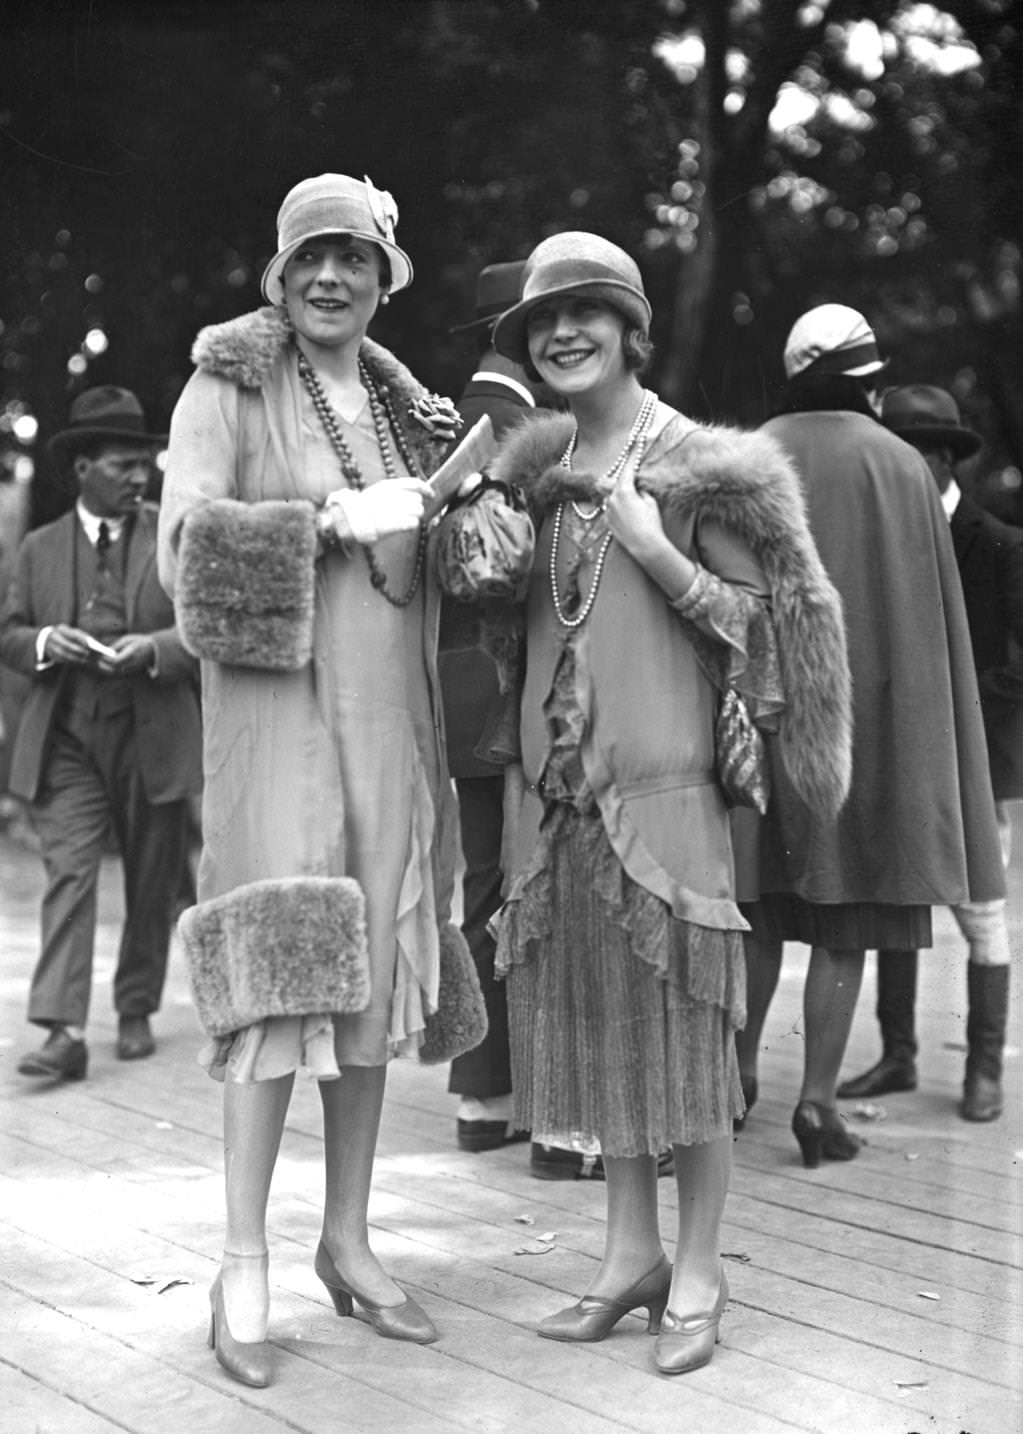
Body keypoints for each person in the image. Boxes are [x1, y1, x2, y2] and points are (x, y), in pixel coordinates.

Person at [440, 233, 851, 1375]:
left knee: (683, 1040)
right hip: (558, 800)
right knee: (595, 1033)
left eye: (586, 315)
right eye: (542, 322)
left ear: (631, 330)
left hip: (669, 801)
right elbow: (515, 629)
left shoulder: (700, 465)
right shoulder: (530, 470)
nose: (562, 334)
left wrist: (656, 550)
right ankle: (629, 1258)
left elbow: (762, 630)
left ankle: (702, 1271)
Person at [157, 173, 473, 1387]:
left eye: (354, 255)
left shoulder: (410, 412)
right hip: (279, 734)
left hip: (391, 725)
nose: (332, 275)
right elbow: (183, 553)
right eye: (310, 258)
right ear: (277, 277)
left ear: (387, 274)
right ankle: (244, 1262)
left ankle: (349, 1236)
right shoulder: (226, 384)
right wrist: (328, 522)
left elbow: (433, 559)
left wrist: (459, 524)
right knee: (282, 980)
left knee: (374, 983)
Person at [733, 309, 1006, 1165]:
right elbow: (929, 629)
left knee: (757, 913)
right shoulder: (899, 464)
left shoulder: (748, 455)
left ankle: (734, 1084)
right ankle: (815, 1103)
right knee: (845, 922)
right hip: (866, 739)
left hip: (765, 728)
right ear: (870, 379)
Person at [0, 386, 201, 1081]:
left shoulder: (176, 539)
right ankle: (61, 1028)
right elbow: (10, 632)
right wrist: (48, 640)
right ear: (83, 467)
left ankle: (137, 1005)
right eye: (122, 464)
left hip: (153, 730)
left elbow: (204, 632)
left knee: (152, 878)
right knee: (70, 873)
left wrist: (154, 652)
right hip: (67, 737)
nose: (140, 476)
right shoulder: (37, 548)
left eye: (143, 464)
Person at [837, 384, 1019, 1121]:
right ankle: (898, 1056)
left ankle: (982, 1070)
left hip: (974, 760)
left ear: (942, 457)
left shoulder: (1002, 544)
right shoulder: (878, 544)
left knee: (980, 912)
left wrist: (951, 703)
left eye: (908, 452)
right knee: (897, 898)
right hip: (898, 755)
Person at [442, 259, 538, 1155]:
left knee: (480, 888)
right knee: (527, 889)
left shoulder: (443, 415)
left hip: (451, 688)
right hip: (513, 689)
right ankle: (539, 1101)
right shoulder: (520, 427)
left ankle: (480, 1096)